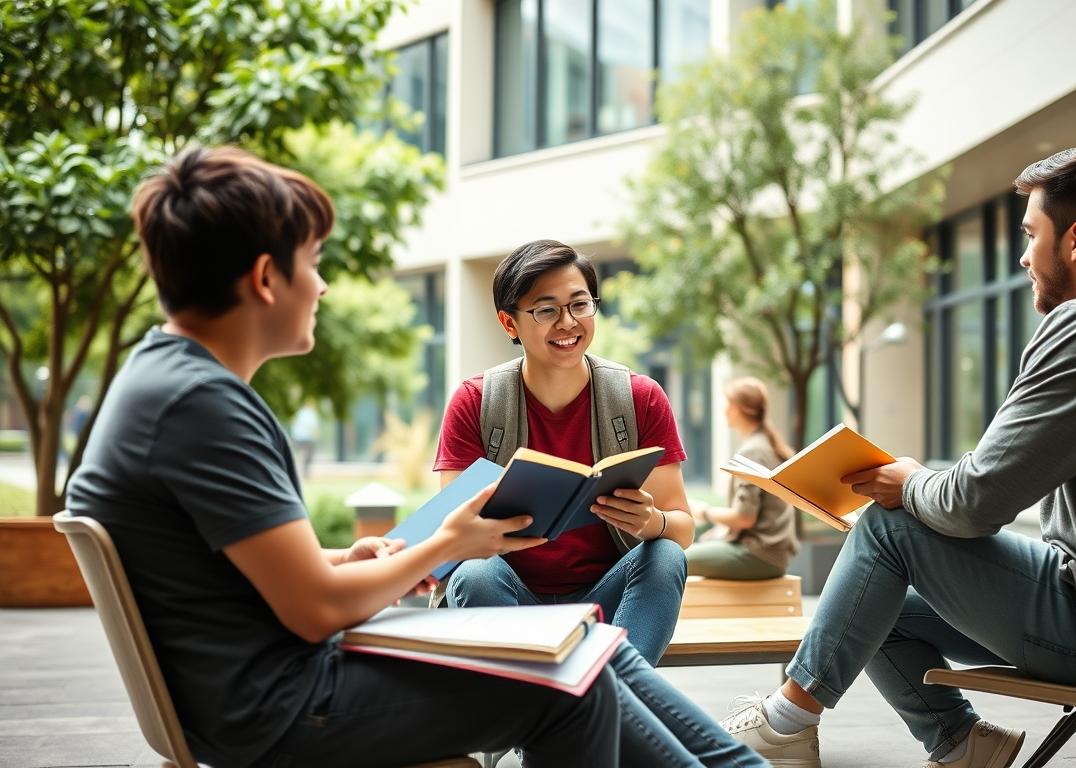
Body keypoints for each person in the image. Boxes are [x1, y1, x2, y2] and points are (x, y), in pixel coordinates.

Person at [66, 147, 766, 768]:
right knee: (570, 685)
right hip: (283, 701)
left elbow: (269, 581)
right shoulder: (203, 406)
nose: (322, 285)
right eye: (313, 263)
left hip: (265, 682)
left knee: (584, 649)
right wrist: (445, 544)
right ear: (264, 279)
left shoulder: (169, 382)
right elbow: (316, 612)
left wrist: (351, 560)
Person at [719, 138, 1076, 768]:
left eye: (1032, 234)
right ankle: (961, 744)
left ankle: (785, 724)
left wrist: (911, 482)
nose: (1023, 256)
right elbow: (995, 482)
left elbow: (976, 505)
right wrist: (930, 482)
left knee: (889, 526)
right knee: (875, 605)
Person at [434, 239, 695, 666]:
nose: (568, 323)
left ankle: (615, 699)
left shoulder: (640, 398)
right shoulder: (475, 402)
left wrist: (652, 521)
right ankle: (566, 713)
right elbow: (452, 536)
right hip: (507, 601)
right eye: (546, 310)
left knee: (665, 554)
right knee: (476, 572)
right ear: (509, 322)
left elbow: (682, 528)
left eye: (580, 304)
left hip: (603, 603)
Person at [687, 377, 799, 579]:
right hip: (774, 554)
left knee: (676, 561)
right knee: (701, 545)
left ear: (740, 409)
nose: (724, 411)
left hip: (758, 555)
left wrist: (704, 512)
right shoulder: (764, 444)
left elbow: (744, 518)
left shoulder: (753, 451)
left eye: (728, 405)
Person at [291, 400, 319, 477]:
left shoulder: (301, 412)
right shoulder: (308, 413)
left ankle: (303, 471)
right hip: (306, 437)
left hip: (300, 436)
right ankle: (302, 471)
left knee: (305, 454)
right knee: (304, 454)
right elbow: (311, 426)